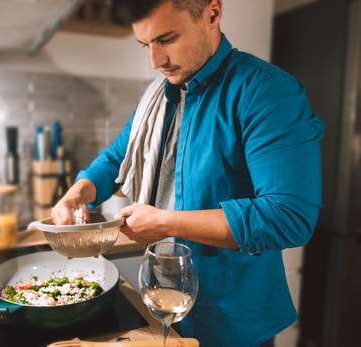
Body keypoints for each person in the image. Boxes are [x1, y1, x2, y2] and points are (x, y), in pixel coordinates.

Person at [51, 0, 323, 346]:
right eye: (145, 45)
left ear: (212, 13)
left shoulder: (266, 91)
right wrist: (78, 192)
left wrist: (166, 222)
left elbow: (288, 216)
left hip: (231, 324)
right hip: (161, 305)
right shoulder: (157, 98)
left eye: (166, 39)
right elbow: (115, 160)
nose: (155, 61)